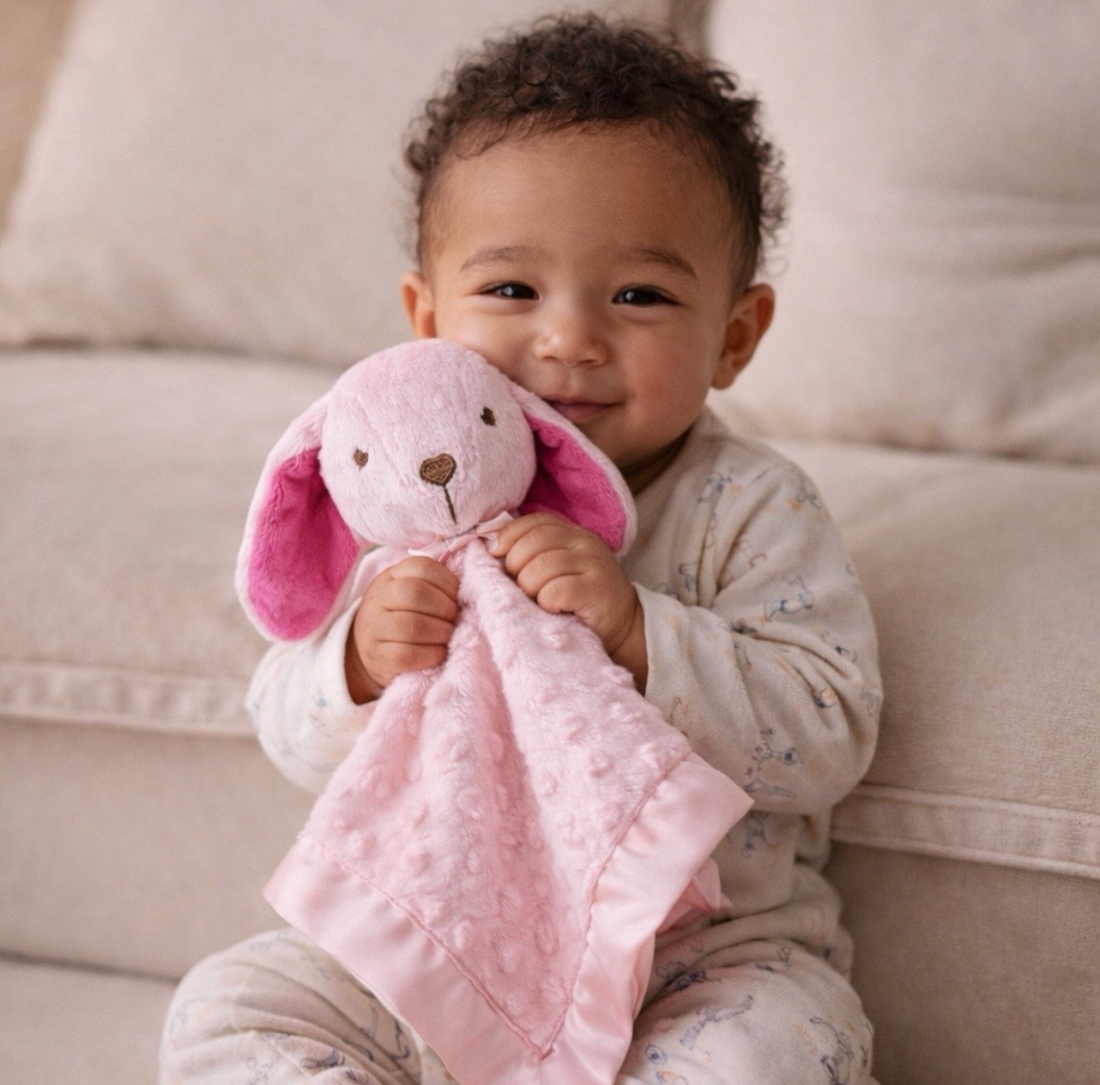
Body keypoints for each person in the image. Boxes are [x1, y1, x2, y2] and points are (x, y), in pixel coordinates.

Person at [161, 14, 881, 1085]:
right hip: (435, 948)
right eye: (509, 290)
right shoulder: (404, 501)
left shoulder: (749, 506)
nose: (567, 338)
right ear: (426, 317)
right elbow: (287, 725)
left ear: (733, 334)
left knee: (774, 1049)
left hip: (694, 958)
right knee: (224, 1008)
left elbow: (827, 732)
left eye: (638, 294)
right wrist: (355, 661)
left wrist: (642, 634)